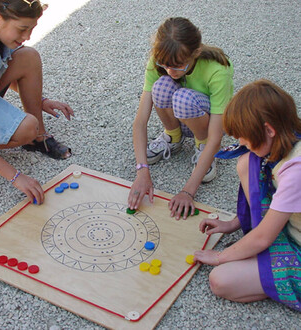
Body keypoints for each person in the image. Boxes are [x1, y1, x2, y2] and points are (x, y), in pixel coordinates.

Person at [194, 79, 301, 311]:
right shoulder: (287, 135)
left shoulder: (296, 170)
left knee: (220, 280)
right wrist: (233, 224)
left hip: (297, 247)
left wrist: (220, 255)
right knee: (247, 161)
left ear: (269, 130)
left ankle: (280, 281)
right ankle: (260, 262)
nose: (240, 141)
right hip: (286, 227)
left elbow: (263, 238)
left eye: (244, 136)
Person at [128, 17, 234, 219]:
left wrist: (187, 192)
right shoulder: (160, 59)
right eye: (165, 65)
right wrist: (142, 171)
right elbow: (140, 122)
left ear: (196, 53)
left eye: (178, 66)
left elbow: (216, 136)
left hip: (208, 124)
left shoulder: (218, 69)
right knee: (161, 86)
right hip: (181, 115)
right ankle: (173, 137)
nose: (170, 71)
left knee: (183, 98)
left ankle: (200, 146)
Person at [0, 0, 74, 205]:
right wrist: (17, 177)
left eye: (32, 28)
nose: (27, 36)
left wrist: (40, 100)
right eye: (22, 29)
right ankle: (24, 138)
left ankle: (39, 139)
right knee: (28, 127)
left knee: (28, 56)